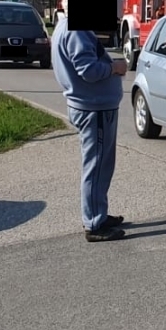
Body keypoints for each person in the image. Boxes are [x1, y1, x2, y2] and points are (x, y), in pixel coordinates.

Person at [51, 14, 129, 242]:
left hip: (93, 106)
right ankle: (95, 222)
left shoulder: (66, 25)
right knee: (96, 167)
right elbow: (88, 70)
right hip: (93, 109)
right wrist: (115, 67)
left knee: (100, 165)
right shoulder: (76, 29)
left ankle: (98, 214)